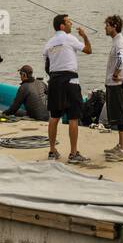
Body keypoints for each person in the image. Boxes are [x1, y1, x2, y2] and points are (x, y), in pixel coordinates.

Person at [43, 13, 91, 163]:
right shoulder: (69, 38)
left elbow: (47, 66)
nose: (72, 24)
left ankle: (52, 150)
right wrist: (85, 36)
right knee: (73, 117)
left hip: (55, 81)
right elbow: (88, 50)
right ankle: (73, 153)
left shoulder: (49, 44)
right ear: (62, 26)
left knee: (54, 116)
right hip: (70, 80)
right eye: (69, 22)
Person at [102, 15, 123, 162]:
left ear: (114, 26)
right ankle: (120, 145)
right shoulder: (118, 41)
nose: (105, 28)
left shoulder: (120, 43)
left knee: (121, 118)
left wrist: (116, 73)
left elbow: (122, 59)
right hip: (114, 85)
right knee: (118, 117)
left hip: (117, 85)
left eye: (107, 25)